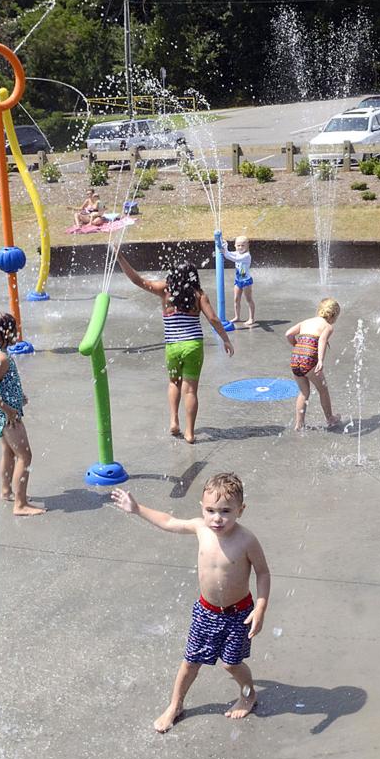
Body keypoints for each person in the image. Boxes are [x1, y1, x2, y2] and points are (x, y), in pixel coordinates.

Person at [111, 473, 270, 732]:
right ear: (202, 508)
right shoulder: (200, 527)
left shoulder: (246, 540)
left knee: (232, 663)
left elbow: (263, 573)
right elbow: (169, 521)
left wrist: (261, 607)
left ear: (241, 510)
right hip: (206, 612)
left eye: (225, 511)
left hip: (239, 613)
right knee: (190, 661)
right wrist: (137, 509)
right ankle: (176, 704)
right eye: (210, 510)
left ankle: (249, 694)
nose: (216, 518)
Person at [117, 255, 234, 443]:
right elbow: (213, 318)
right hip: (193, 346)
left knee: (173, 383)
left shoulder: (164, 291)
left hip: (172, 347)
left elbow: (137, 280)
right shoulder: (199, 294)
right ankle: (189, 432)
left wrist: (120, 257)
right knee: (190, 391)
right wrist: (226, 339)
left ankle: (173, 420)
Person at [0, 311, 44, 516]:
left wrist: (19, 395)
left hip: (3, 410)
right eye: (13, 329)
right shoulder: (1, 358)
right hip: (6, 414)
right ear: (4, 332)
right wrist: (9, 409)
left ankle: (6, 491)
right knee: (25, 456)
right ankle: (20, 504)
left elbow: (2, 383)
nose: (16, 332)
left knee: (9, 453)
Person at [285, 298, 342, 431]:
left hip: (296, 358)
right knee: (323, 389)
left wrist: (296, 345)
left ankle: (299, 424)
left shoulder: (306, 322)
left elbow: (288, 334)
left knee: (304, 392)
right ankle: (330, 418)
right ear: (333, 315)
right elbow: (322, 340)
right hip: (310, 360)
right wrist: (320, 360)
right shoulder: (328, 327)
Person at [220, 234, 255, 327]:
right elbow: (231, 254)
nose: (240, 247)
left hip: (246, 281)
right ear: (235, 245)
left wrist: (225, 251)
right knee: (236, 299)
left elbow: (234, 258)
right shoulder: (237, 252)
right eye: (238, 245)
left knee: (249, 299)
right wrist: (225, 247)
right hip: (238, 281)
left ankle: (251, 318)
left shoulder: (246, 255)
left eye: (243, 245)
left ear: (247, 246)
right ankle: (237, 316)